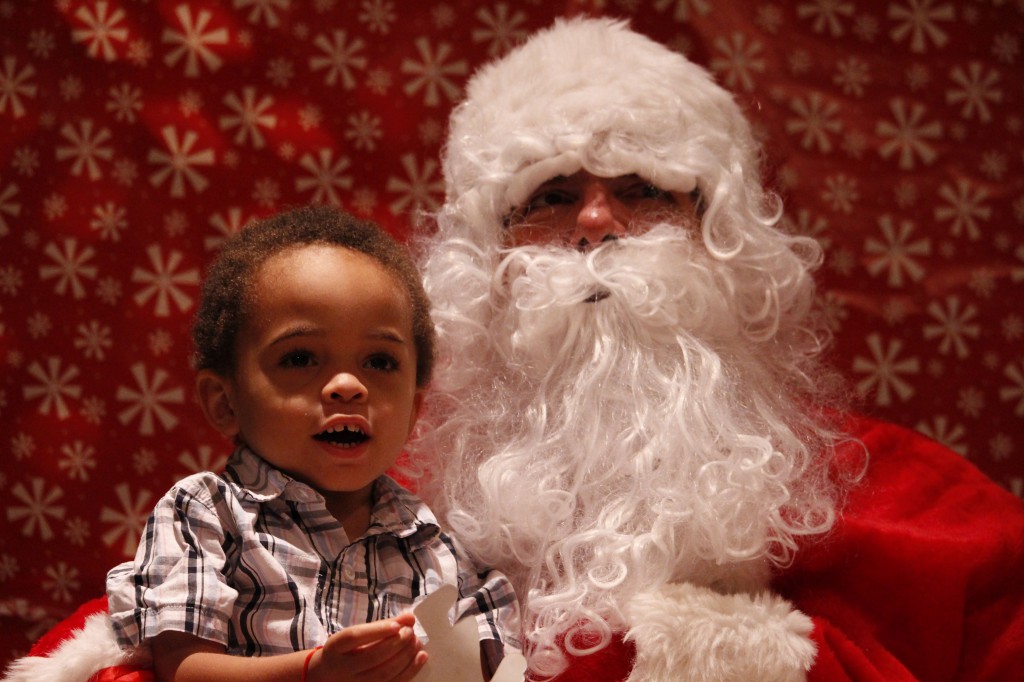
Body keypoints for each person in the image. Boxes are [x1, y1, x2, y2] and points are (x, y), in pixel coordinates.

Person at [414, 17, 1024, 682]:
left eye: (642, 189)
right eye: (551, 197)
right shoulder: (388, 524)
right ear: (483, 265)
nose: (593, 222)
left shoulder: (930, 516)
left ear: (721, 239)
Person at [97, 205, 520, 682]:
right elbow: (182, 669)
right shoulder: (207, 513)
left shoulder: (439, 548)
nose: (347, 385)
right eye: (300, 357)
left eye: (379, 362)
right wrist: (311, 673)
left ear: (414, 409)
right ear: (225, 402)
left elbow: (496, 670)